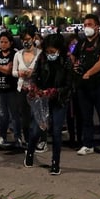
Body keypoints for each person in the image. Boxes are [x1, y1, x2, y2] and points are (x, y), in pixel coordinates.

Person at [24, 33, 74, 175]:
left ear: (59, 49)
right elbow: (34, 76)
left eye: (53, 52)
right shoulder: (42, 58)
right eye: (48, 51)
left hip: (59, 100)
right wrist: (34, 88)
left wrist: (55, 91)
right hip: (42, 99)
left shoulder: (66, 61)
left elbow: (69, 85)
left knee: (57, 131)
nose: (50, 54)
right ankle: (30, 153)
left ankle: (55, 163)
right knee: (37, 129)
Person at [73, 14, 100, 157]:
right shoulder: (82, 43)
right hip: (83, 86)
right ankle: (87, 144)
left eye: (90, 24)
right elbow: (74, 57)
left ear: (97, 26)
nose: (87, 27)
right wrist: (75, 65)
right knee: (86, 117)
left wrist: (89, 73)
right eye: (85, 25)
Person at [0, 31, 20, 148]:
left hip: (11, 90)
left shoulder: (14, 55)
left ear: (11, 43)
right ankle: (3, 137)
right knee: (2, 115)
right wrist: (0, 68)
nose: (3, 44)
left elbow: (9, 70)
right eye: (1, 42)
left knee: (14, 114)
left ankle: (18, 137)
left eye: (6, 42)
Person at [13, 26, 43, 151]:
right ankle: (27, 140)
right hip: (22, 89)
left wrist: (34, 73)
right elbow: (13, 71)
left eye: (28, 39)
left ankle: (40, 140)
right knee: (25, 118)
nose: (26, 42)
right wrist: (20, 73)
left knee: (37, 116)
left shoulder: (40, 54)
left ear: (33, 38)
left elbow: (43, 71)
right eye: (23, 39)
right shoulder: (18, 54)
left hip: (36, 90)